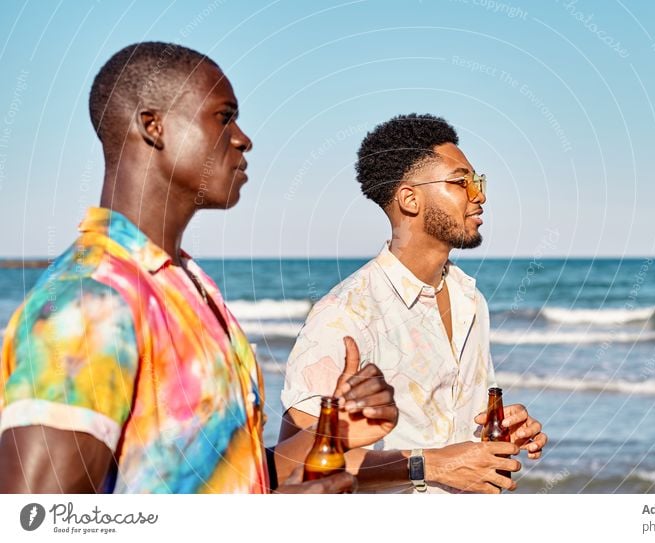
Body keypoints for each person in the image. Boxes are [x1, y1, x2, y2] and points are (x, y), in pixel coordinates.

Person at [0, 42, 397, 494]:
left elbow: (222, 481)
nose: (243, 138)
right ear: (154, 126)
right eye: (223, 116)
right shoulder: (93, 300)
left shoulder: (188, 289)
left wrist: (333, 431)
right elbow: (36, 519)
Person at [279, 113, 547, 493]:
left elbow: (454, 426)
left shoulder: (470, 299)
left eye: (478, 181)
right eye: (461, 182)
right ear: (409, 198)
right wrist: (428, 466)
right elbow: (295, 463)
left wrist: (500, 429)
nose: (479, 195)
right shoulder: (345, 314)